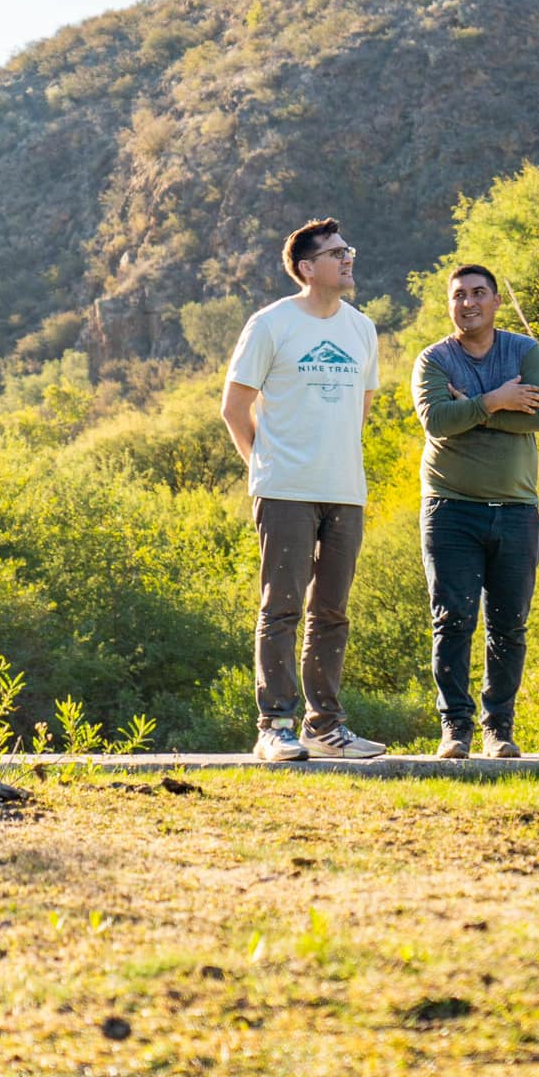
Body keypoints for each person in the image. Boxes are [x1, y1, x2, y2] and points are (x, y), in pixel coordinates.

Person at [221, 218, 386, 762]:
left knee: (332, 612)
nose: (347, 259)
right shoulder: (270, 324)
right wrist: (264, 469)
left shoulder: (361, 329)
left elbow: (358, 414)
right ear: (306, 268)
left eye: (349, 249)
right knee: (283, 607)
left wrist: (332, 464)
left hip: (345, 490)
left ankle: (326, 728)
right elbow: (234, 408)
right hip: (284, 490)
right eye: (336, 253)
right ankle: (275, 726)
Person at [411, 264, 539, 759]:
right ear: (448, 304)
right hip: (451, 509)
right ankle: (455, 729)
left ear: (496, 302)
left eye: (478, 294)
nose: (468, 303)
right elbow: (437, 420)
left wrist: (472, 407)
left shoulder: (524, 351)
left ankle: (499, 730)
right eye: (458, 296)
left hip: (516, 509)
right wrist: (497, 400)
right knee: (453, 620)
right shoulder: (434, 359)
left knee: (509, 623)